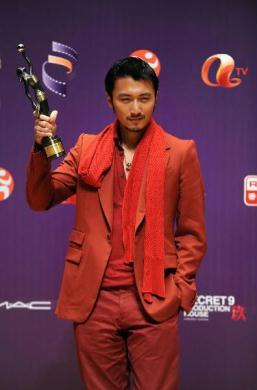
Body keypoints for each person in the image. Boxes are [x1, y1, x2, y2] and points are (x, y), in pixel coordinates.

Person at [26, 56, 207, 390]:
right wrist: (40, 148)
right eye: (125, 99)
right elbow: (41, 199)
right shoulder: (87, 148)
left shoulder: (180, 152)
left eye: (144, 98)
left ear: (155, 97)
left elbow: (193, 233)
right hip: (94, 300)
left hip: (154, 297)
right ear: (110, 100)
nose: (136, 108)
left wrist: (180, 290)